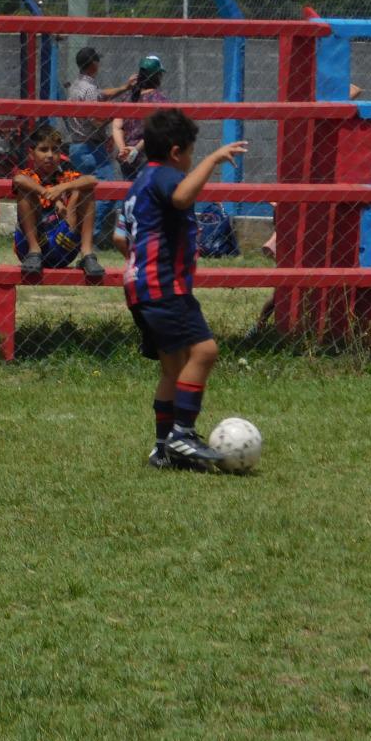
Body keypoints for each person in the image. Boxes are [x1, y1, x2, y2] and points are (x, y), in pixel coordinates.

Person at [121, 108, 248, 470]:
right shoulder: (164, 176)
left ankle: (163, 449)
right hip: (163, 287)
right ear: (177, 152)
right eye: (192, 152)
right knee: (205, 352)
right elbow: (182, 198)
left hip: (141, 286)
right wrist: (213, 160)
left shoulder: (142, 179)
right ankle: (182, 434)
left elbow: (122, 235)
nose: (193, 160)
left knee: (172, 368)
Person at [11, 123, 105, 278]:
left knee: (85, 191)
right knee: (25, 191)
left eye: (55, 150)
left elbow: (92, 180)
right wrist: (47, 194)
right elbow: (18, 179)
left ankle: (87, 254)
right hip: (30, 247)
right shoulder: (28, 174)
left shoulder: (65, 176)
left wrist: (61, 188)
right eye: (43, 149)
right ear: (31, 153)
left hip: (62, 245)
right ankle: (35, 251)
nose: (50, 155)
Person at [65, 46, 136, 242]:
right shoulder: (88, 89)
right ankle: (90, 236)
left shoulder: (78, 86)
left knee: (85, 193)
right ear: (94, 64)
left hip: (78, 146)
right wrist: (115, 114)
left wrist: (124, 88)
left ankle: (76, 233)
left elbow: (101, 94)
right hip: (90, 148)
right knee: (108, 192)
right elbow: (95, 119)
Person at [113, 55, 172, 181]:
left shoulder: (127, 98)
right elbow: (157, 130)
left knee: (130, 194)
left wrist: (123, 149)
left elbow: (117, 125)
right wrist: (136, 149)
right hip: (148, 157)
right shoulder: (160, 100)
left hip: (127, 158)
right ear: (157, 76)